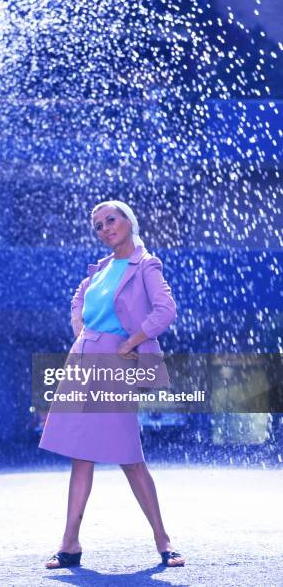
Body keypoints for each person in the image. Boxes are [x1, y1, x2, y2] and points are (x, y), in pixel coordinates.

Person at [39, 199, 185, 569]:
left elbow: (165, 310)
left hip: (115, 364)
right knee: (80, 454)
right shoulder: (100, 269)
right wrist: (79, 329)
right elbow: (78, 299)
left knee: (130, 457)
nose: (105, 228)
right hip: (83, 360)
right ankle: (69, 543)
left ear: (128, 221)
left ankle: (163, 540)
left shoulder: (145, 264)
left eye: (111, 220)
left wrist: (133, 341)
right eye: (98, 225)